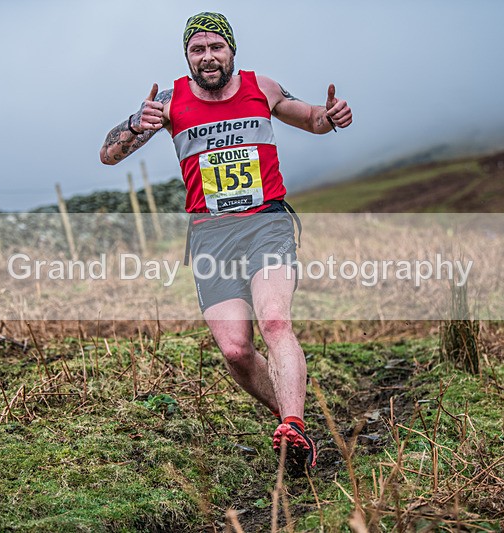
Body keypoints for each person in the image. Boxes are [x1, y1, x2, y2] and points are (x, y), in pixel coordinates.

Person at [99, 12, 352, 474]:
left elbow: (313, 119)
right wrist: (139, 122)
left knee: (275, 321)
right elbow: (108, 154)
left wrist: (331, 117)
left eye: (216, 47)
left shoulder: (263, 87)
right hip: (210, 235)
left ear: (232, 50)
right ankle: (291, 422)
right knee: (236, 350)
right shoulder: (170, 102)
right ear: (188, 57)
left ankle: (293, 424)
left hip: (266, 224)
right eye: (198, 49)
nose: (208, 57)